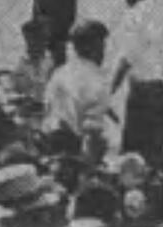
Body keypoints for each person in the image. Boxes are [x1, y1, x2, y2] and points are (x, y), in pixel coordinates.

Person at [108, 0, 163, 174]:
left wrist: (109, 92)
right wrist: (159, 56)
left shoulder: (133, 17)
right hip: (160, 92)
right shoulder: (161, 11)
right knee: (156, 158)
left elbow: (125, 60)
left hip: (141, 94)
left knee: (131, 161)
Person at [43, 20, 114, 166]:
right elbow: (92, 130)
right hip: (75, 151)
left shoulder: (60, 73)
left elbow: (48, 107)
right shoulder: (97, 79)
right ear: (94, 47)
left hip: (49, 144)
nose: (104, 52)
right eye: (102, 46)